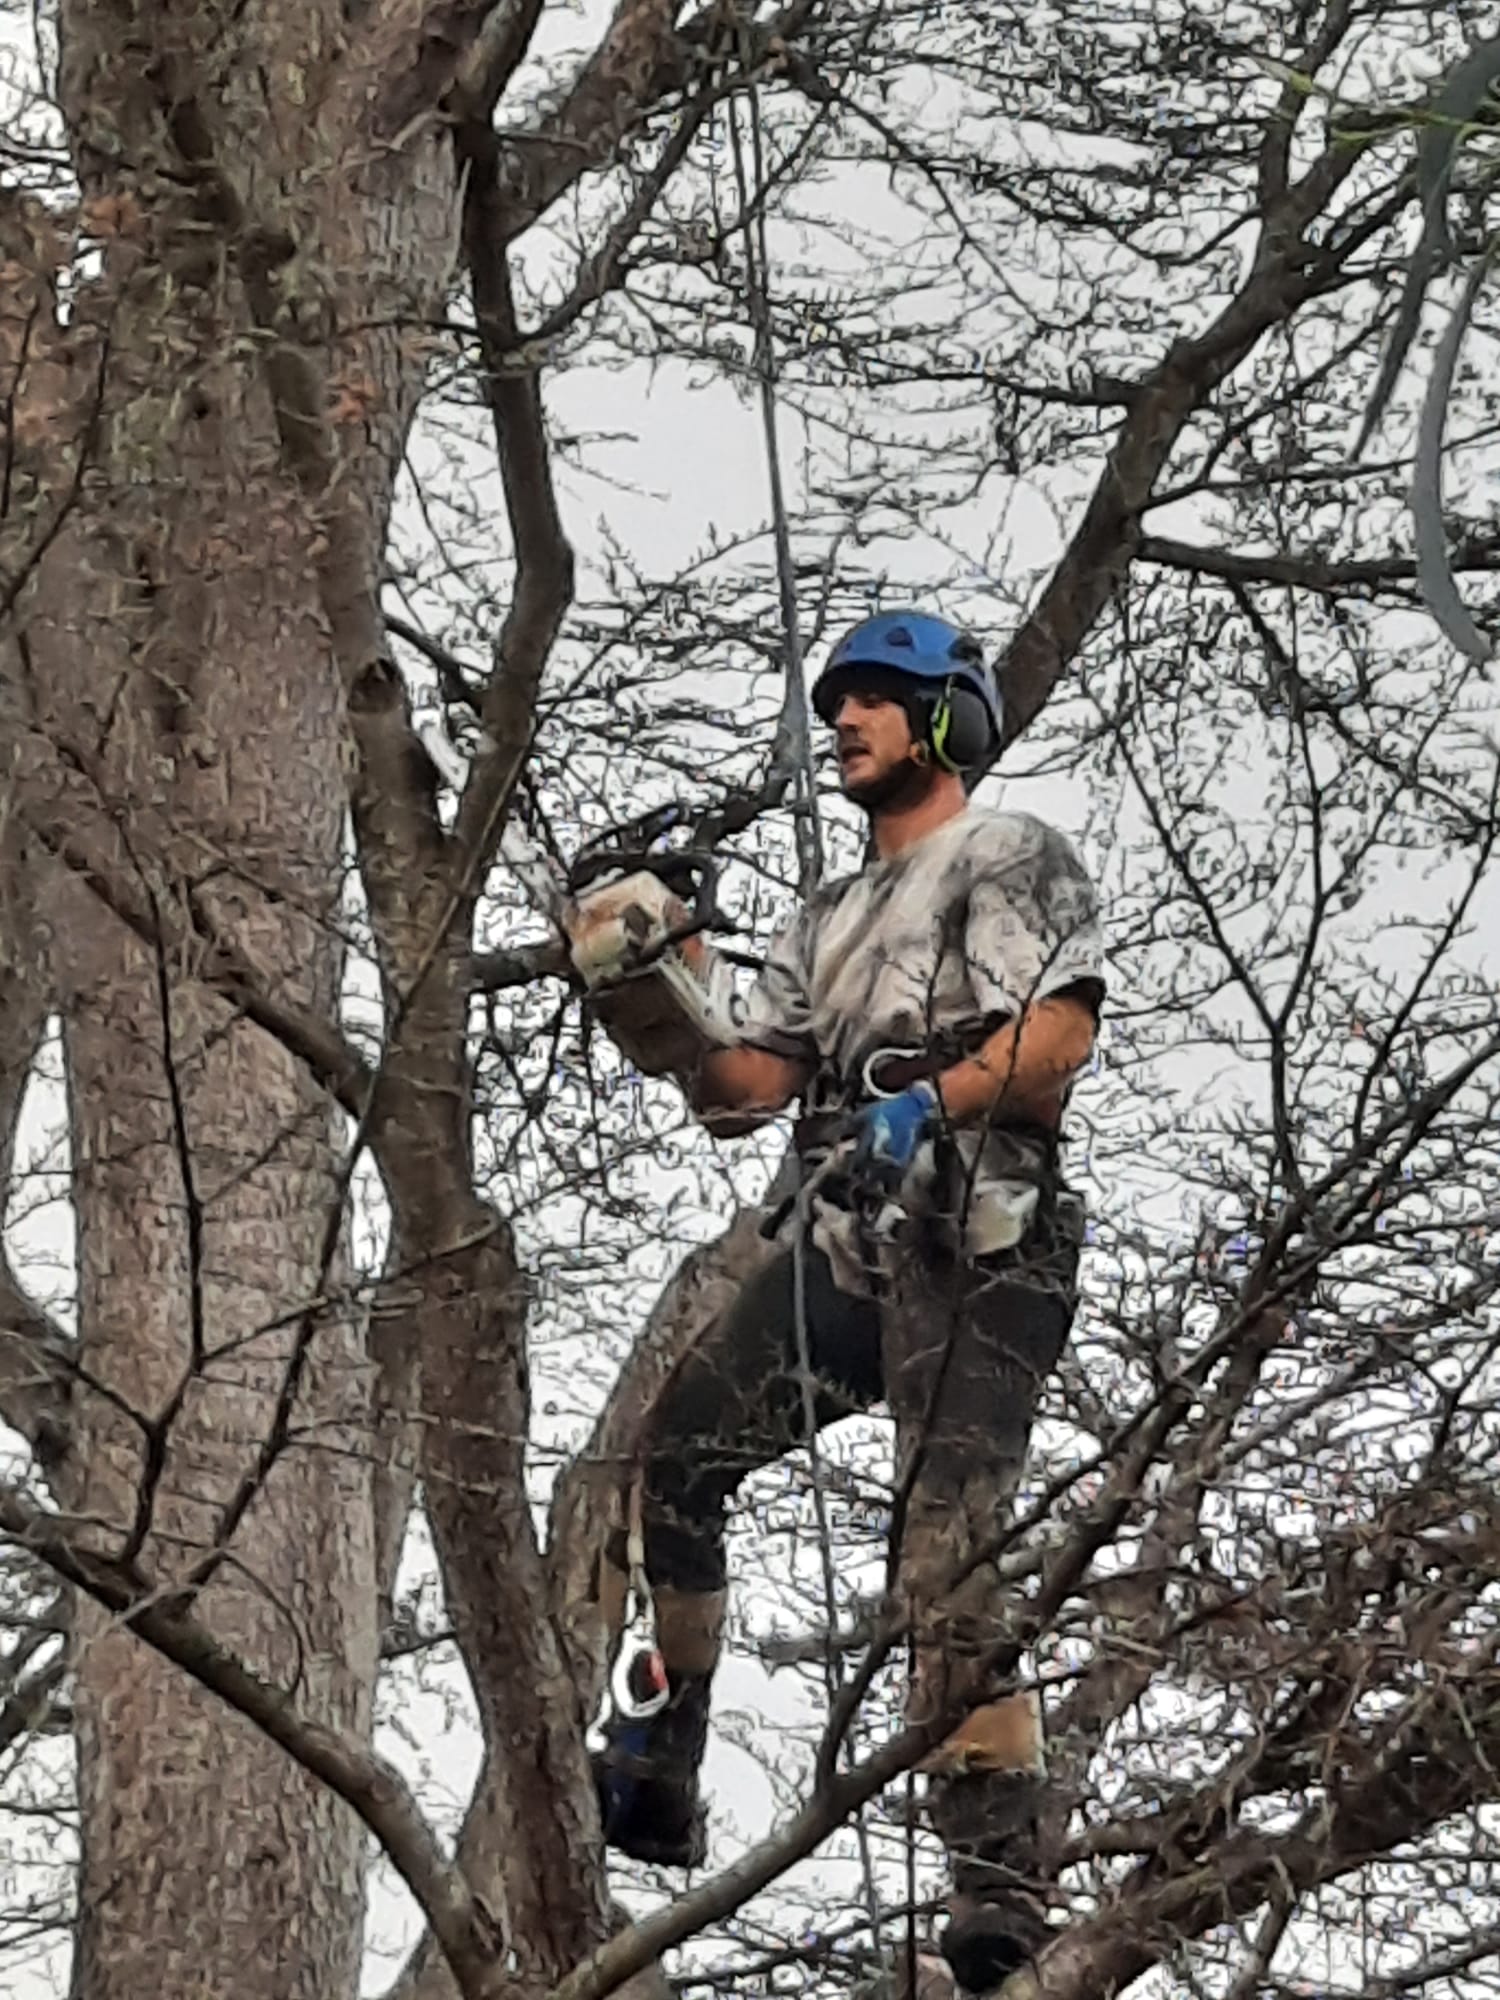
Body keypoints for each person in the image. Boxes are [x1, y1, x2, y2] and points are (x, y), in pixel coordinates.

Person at [592, 610, 1105, 1992]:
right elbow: (743, 1089)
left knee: (945, 1550)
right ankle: (661, 1742)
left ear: (946, 720)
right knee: (684, 1453)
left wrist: (923, 1101)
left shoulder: (1003, 856)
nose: (848, 722)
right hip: (847, 1240)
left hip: (985, 1228)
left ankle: (996, 1874)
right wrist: (661, 995)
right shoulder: (823, 914)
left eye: (878, 700)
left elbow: (1055, 1034)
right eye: (840, 705)